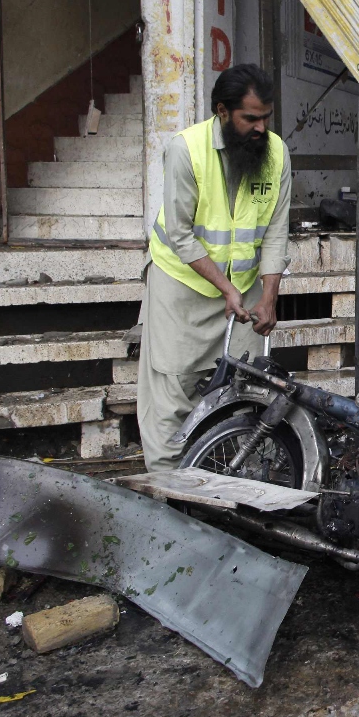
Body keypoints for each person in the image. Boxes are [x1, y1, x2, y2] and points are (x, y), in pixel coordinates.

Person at [137, 64, 291, 471]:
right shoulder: (184, 150)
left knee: (250, 387)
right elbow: (181, 234)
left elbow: (276, 232)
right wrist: (226, 288)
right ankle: (169, 491)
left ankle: (239, 481)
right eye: (250, 118)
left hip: (243, 287)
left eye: (266, 118)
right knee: (172, 388)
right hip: (181, 283)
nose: (261, 128)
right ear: (222, 112)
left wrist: (269, 297)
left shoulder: (276, 154)